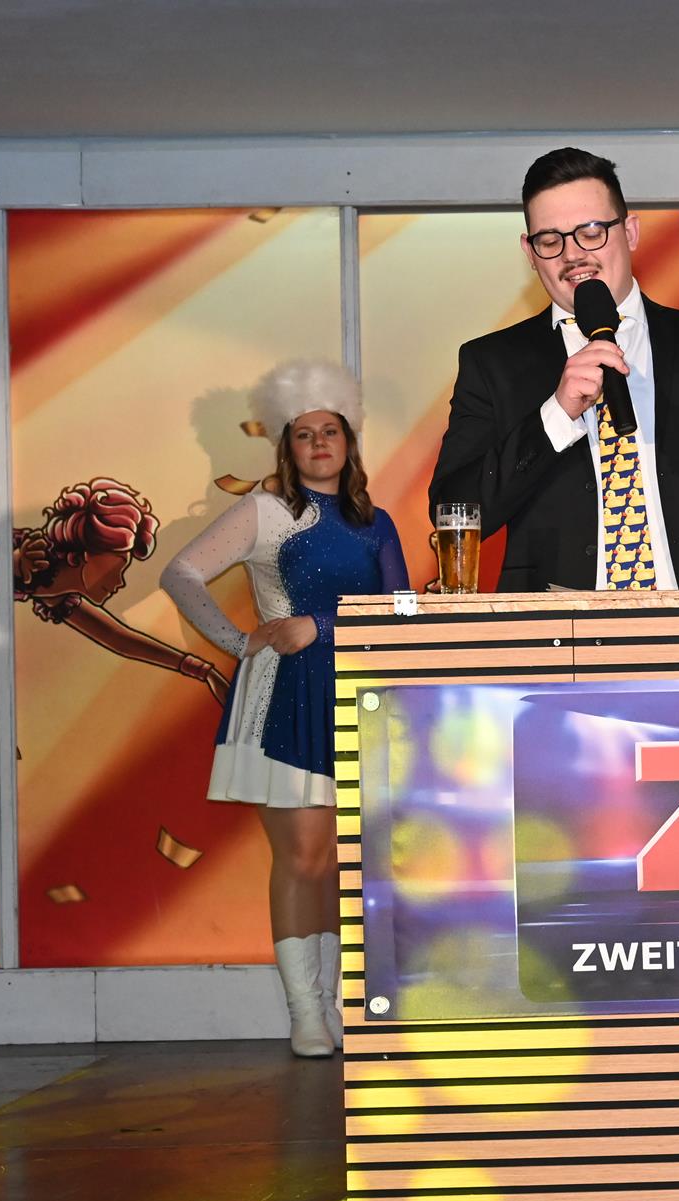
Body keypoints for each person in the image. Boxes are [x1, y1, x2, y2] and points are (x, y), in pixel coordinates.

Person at [429, 146, 679, 593]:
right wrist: (556, 415)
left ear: (630, 231)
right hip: (557, 625)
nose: (573, 255)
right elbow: (454, 510)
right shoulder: (493, 362)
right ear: (529, 252)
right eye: (551, 241)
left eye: (591, 232)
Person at [163, 361, 409, 1058]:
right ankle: (306, 1012)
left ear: (349, 442)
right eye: (305, 433)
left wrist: (320, 626)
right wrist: (239, 641)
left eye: (331, 430)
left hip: (359, 695)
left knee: (340, 861)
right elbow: (180, 573)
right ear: (287, 446)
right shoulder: (267, 512)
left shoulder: (376, 522)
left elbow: (403, 609)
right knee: (302, 858)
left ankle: (335, 1005)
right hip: (287, 699)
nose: (319, 442)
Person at [0, 439, 229, 702]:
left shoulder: (53, 590)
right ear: (88, 556)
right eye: (119, 566)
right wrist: (15, 564)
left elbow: (118, 638)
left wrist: (202, 671)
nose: (120, 581)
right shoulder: (30, 560)